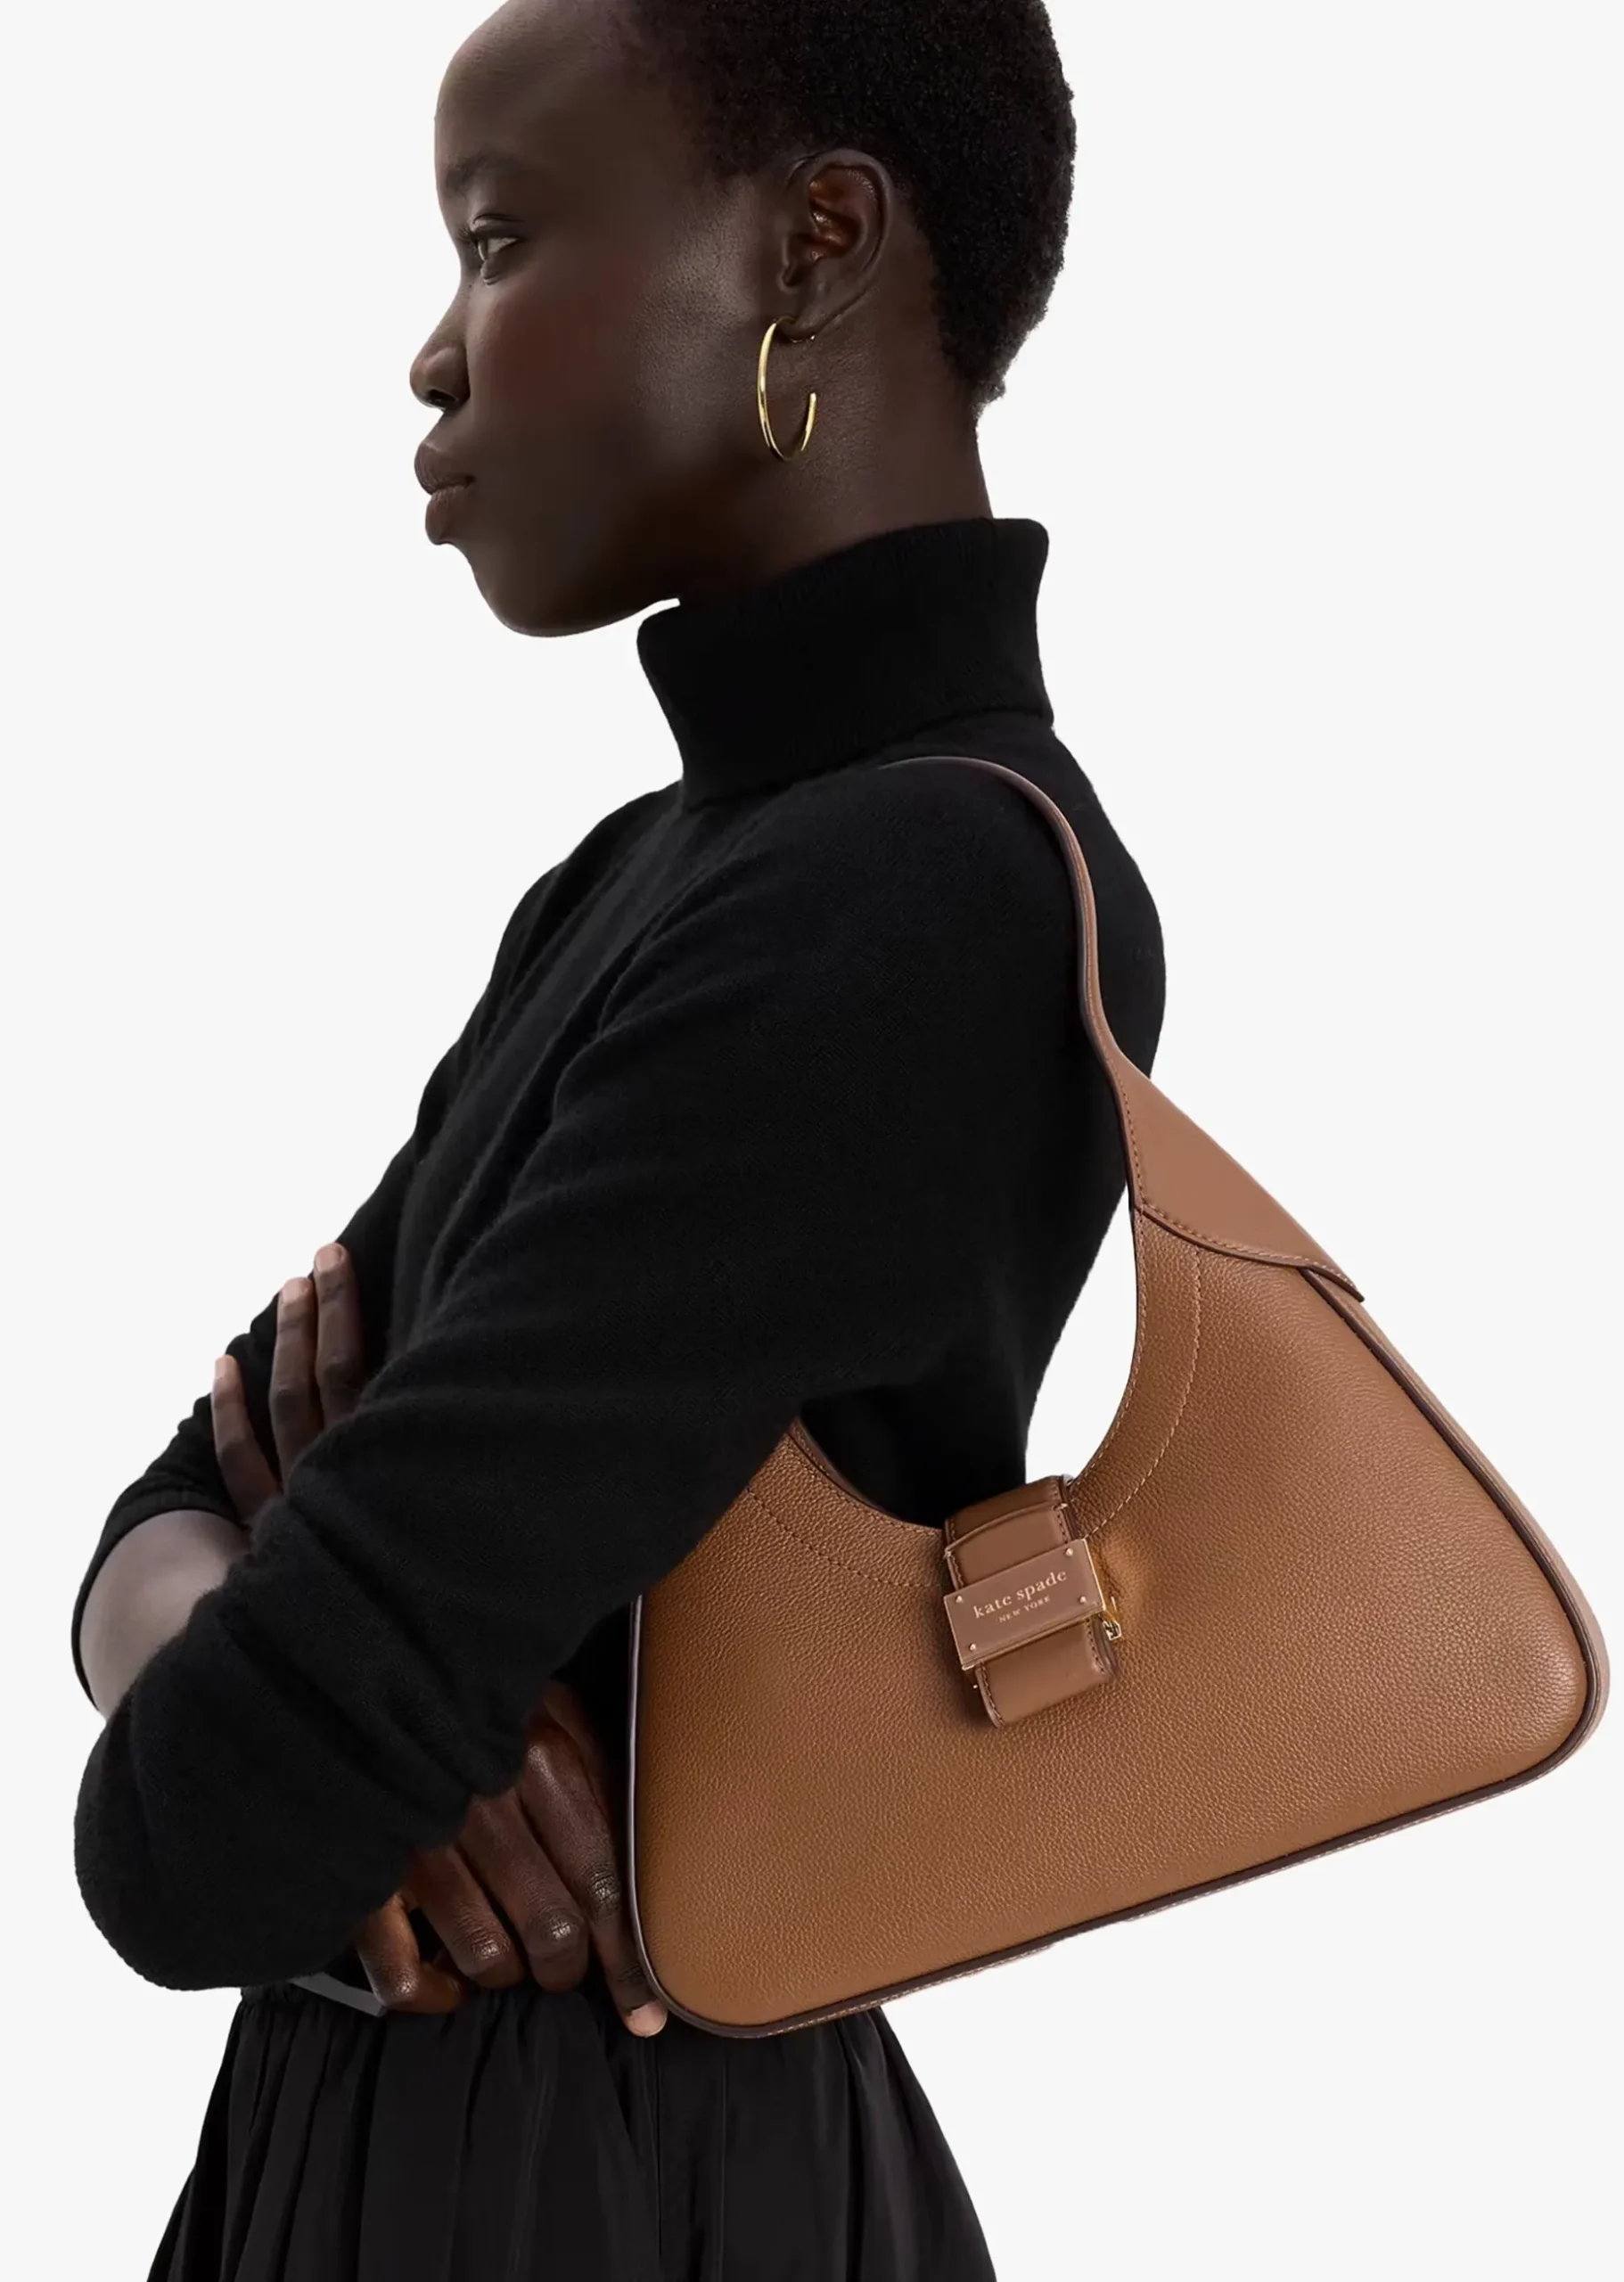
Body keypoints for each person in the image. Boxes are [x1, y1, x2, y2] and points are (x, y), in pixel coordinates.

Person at [70, 0, 1167, 2273]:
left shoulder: (913, 889)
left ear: (813, 242)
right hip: (461, 2134)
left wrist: (297, 1653)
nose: (432, 358)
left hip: (592, 2170)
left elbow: (197, 1830)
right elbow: (164, 1510)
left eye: (498, 240)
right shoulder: (651, 873)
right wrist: (353, 1694)